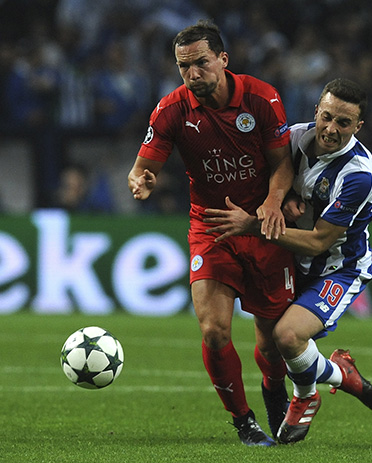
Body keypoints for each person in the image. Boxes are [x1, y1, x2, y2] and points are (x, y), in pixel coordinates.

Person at [127, 20, 295, 446]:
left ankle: (274, 388)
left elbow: (281, 164)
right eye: (184, 67)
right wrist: (142, 180)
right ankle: (243, 421)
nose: (193, 74)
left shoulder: (261, 97)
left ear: (223, 59)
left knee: (273, 343)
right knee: (214, 330)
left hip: (261, 227)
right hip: (211, 227)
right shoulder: (171, 109)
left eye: (201, 63)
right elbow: (144, 165)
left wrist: (273, 203)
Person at [205, 78, 372, 444]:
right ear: (316, 109)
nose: (331, 129)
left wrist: (253, 225)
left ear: (358, 126)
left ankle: (305, 397)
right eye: (327, 117)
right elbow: (271, 177)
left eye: (344, 123)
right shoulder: (295, 138)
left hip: (336, 268)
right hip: (287, 259)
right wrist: (282, 199)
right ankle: (340, 373)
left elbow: (319, 242)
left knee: (288, 337)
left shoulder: (358, 175)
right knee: (268, 347)